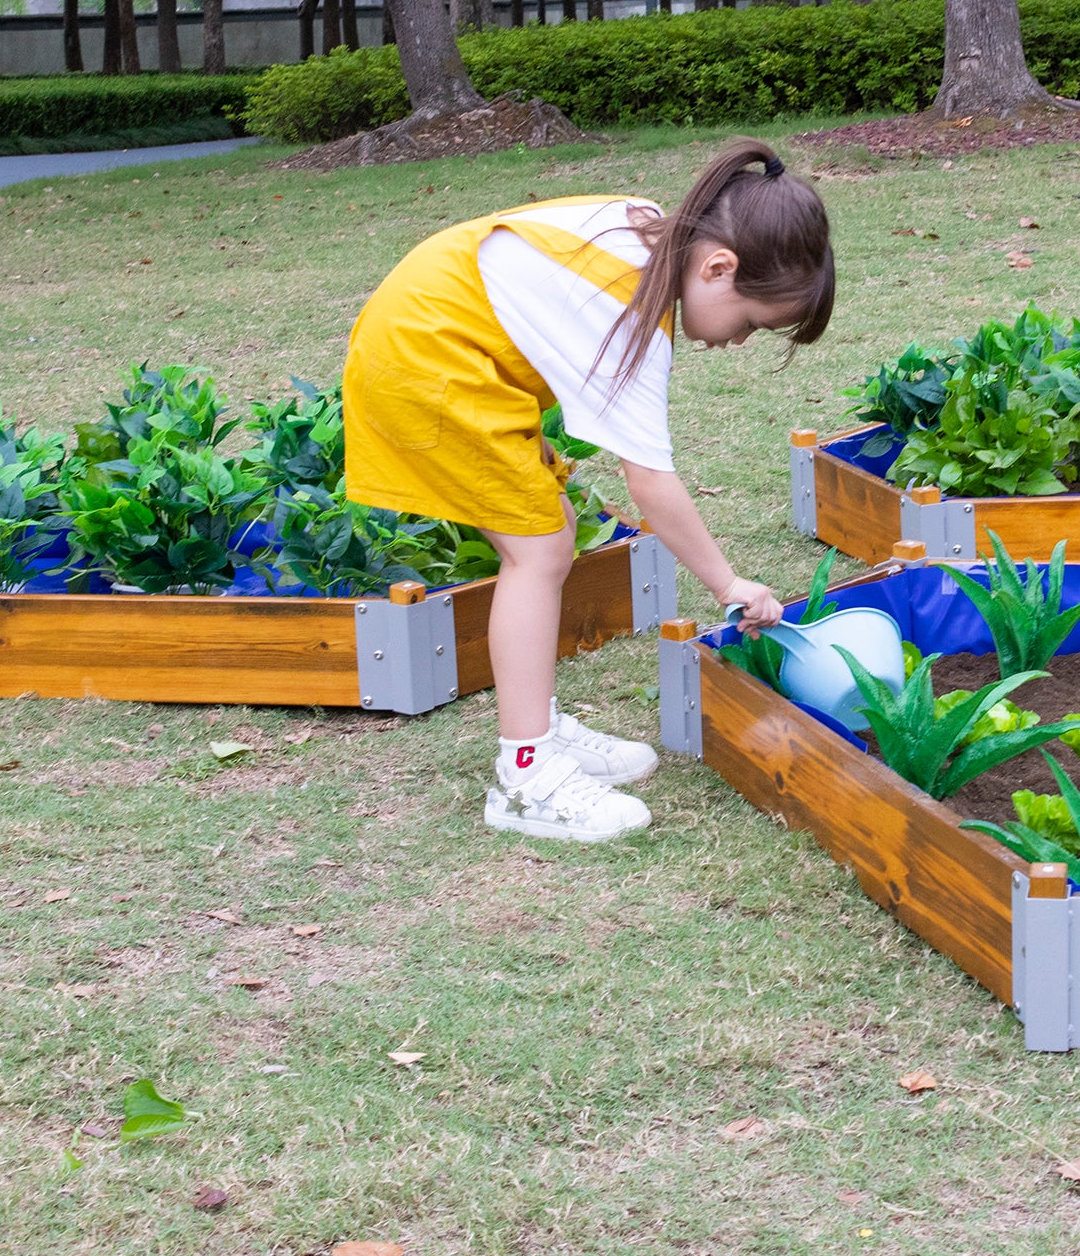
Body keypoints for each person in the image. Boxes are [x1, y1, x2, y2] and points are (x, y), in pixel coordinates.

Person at [339, 140, 833, 843]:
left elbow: (522, 286)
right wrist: (729, 580)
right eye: (752, 321)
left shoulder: (648, 230)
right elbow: (650, 484)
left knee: (549, 531)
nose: (741, 341)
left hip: (449, 344)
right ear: (719, 266)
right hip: (427, 358)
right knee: (538, 552)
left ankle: (536, 726)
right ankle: (526, 775)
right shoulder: (628, 306)